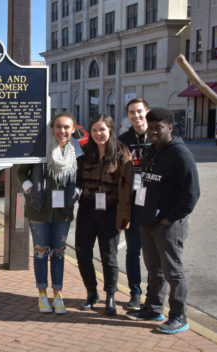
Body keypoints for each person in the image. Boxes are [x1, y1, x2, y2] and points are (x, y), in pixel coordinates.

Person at [126, 108, 200, 334]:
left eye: (158, 128)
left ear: (170, 127)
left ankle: (178, 316)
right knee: (153, 269)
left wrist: (169, 218)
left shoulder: (180, 154)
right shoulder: (151, 151)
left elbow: (191, 194)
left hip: (169, 225)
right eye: (151, 128)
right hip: (148, 221)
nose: (153, 132)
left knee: (172, 271)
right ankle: (153, 307)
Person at [17, 112, 83, 314]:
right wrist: (30, 189)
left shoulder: (77, 151)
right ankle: (42, 294)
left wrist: (77, 193)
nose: (62, 131)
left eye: (66, 127)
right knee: (41, 251)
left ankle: (58, 294)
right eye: (58, 126)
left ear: (73, 130)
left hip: (63, 211)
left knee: (59, 253)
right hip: (39, 210)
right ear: (52, 128)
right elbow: (21, 172)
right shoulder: (41, 149)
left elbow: (81, 178)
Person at [75, 114, 133, 316]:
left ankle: (110, 295)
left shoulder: (121, 153)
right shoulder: (85, 152)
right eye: (95, 130)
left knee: (108, 255)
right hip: (87, 208)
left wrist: (124, 216)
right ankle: (91, 292)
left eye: (102, 130)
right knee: (82, 252)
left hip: (111, 210)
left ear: (110, 130)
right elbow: (76, 180)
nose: (99, 134)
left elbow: (126, 188)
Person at [118, 98, 151, 310]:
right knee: (133, 250)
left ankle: (154, 295)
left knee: (154, 253)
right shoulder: (123, 140)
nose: (136, 115)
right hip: (131, 203)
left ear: (146, 112)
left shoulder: (158, 137)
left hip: (153, 202)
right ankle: (135, 293)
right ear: (128, 116)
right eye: (132, 112)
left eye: (139, 111)